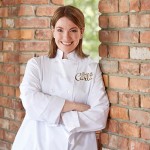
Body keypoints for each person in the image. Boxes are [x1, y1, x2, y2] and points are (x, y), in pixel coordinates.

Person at [12, 5, 109, 150]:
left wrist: (55, 115)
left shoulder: (91, 68)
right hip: (37, 142)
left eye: (73, 30)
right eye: (60, 30)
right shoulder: (37, 65)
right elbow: (31, 103)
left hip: (77, 144)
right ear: (52, 31)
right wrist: (75, 106)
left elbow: (99, 116)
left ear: (81, 32)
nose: (66, 37)